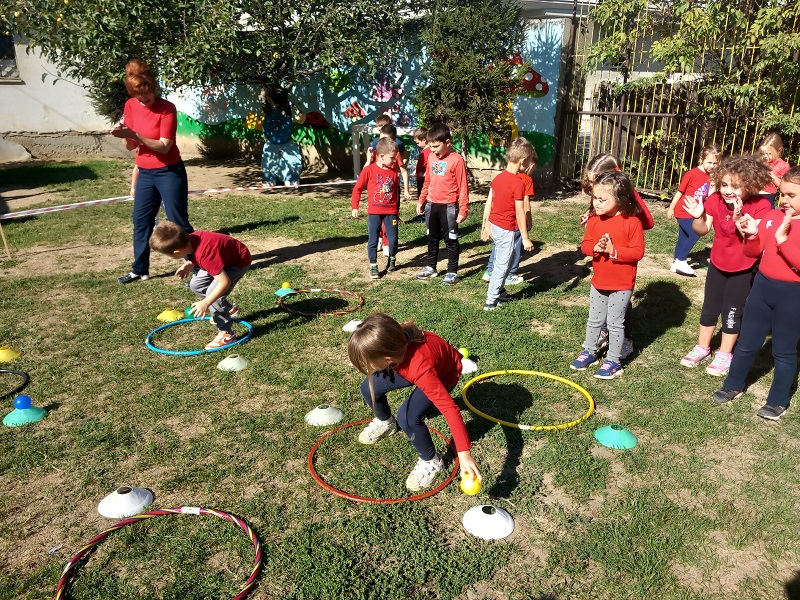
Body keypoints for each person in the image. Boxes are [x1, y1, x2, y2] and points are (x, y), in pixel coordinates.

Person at [347, 313, 482, 491]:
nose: (366, 367)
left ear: (388, 360)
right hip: (406, 363)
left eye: (368, 363)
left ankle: (431, 460)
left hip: (443, 375)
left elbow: (450, 409)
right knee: (369, 387)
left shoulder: (420, 369)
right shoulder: (395, 341)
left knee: (408, 417)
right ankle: (386, 422)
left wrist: (464, 453)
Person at [712, 167, 800, 420]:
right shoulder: (772, 216)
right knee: (747, 343)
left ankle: (778, 401)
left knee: (783, 352)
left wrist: (783, 242)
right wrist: (750, 235)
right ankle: (733, 384)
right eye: (782, 194)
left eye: (792, 195)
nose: (784, 200)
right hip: (762, 288)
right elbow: (753, 252)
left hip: (792, 295)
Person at [679, 155, 773, 376]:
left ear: (750, 185)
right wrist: (699, 216)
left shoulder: (761, 205)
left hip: (744, 267)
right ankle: (702, 347)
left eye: (736, 186)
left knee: (732, 309)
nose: (728, 190)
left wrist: (740, 216)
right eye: (724, 185)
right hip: (718, 264)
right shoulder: (714, 201)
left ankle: (725, 353)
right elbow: (702, 230)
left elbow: (752, 240)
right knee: (710, 306)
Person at [111, 59, 193, 284]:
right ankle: (139, 269)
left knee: (178, 221)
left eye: (147, 94)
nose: (144, 100)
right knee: (141, 221)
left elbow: (164, 146)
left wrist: (135, 134)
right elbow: (132, 146)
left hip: (169, 171)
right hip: (145, 172)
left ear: (153, 88)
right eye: (139, 96)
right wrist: (124, 135)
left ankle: (197, 264)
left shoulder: (167, 108)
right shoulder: (130, 106)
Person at [570, 171, 644, 380]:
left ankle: (613, 360)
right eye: (594, 198)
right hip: (599, 281)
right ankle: (590, 352)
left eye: (603, 199)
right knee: (594, 320)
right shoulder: (594, 220)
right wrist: (596, 247)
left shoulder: (632, 222)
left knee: (615, 322)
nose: (597, 203)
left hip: (621, 284)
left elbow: (637, 252)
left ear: (620, 199)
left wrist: (613, 250)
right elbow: (585, 246)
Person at [580, 154, 653, 360]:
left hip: (622, 270)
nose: (594, 186)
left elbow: (646, 223)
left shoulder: (627, 204)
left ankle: (622, 343)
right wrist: (592, 215)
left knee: (619, 313)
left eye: (597, 179)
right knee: (602, 314)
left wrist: (618, 242)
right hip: (602, 274)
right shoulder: (601, 199)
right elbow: (587, 243)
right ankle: (599, 341)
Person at [149, 221, 251, 350]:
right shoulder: (190, 240)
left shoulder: (206, 255)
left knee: (214, 296)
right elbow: (196, 252)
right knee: (196, 284)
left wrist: (206, 302)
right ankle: (228, 309)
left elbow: (224, 282)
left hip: (237, 262)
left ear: (177, 252)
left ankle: (227, 334)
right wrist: (189, 263)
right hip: (221, 259)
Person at [481, 141, 534, 310]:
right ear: (523, 160)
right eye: (530, 160)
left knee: (506, 259)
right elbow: (520, 212)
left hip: (496, 227)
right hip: (505, 230)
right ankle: (491, 301)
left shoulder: (498, 178)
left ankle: (499, 291)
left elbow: (491, 204)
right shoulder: (518, 183)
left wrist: (487, 226)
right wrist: (525, 238)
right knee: (502, 265)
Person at [415, 123, 469, 285]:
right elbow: (428, 181)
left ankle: (452, 271)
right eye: (430, 146)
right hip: (432, 205)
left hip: (449, 207)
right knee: (432, 238)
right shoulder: (431, 157)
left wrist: (463, 209)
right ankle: (431, 267)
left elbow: (463, 187)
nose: (432, 150)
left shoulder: (457, 160)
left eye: (436, 146)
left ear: (447, 142)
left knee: (451, 240)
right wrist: (421, 200)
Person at [666, 144, 722, 276]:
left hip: (696, 212)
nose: (712, 166)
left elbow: (711, 197)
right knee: (695, 234)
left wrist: (713, 183)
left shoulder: (712, 177)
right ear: (701, 160)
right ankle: (681, 260)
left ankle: (675, 263)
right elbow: (680, 192)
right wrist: (671, 208)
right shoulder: (692, 173)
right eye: (709, 162)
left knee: (683, 236)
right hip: (684, 210)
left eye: (715, 163)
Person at [351, 137, 402, 278]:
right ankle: (373, 265)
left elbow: (395, 192)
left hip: (391, 212)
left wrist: (397, 210)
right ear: (380, 156)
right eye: (392, 158)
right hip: (374, 212)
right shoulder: (368, 170)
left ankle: (392, 259)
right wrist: (355, 206)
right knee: (373, 240)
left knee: (393, 240)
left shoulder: (393, 173)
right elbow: (357, 189)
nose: (394, 161)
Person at [758, 133, 791, 205]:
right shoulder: (762, 161)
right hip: (755, 192)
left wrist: (771, 175)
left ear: (779, 150)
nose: (765, 156)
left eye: (769, 154)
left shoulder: (783, 165)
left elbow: (782, 185)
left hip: (768, 196)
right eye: (763, 154)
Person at [413, 127, 430, 200]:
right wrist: (415, 170)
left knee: (424, 198)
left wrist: (425, 174)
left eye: (418, 143)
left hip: (425, 180)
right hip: (420, 178)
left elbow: (431, 166)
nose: (417, 145)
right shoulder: (424, 151)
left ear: (424, 140)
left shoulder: (428, 151)